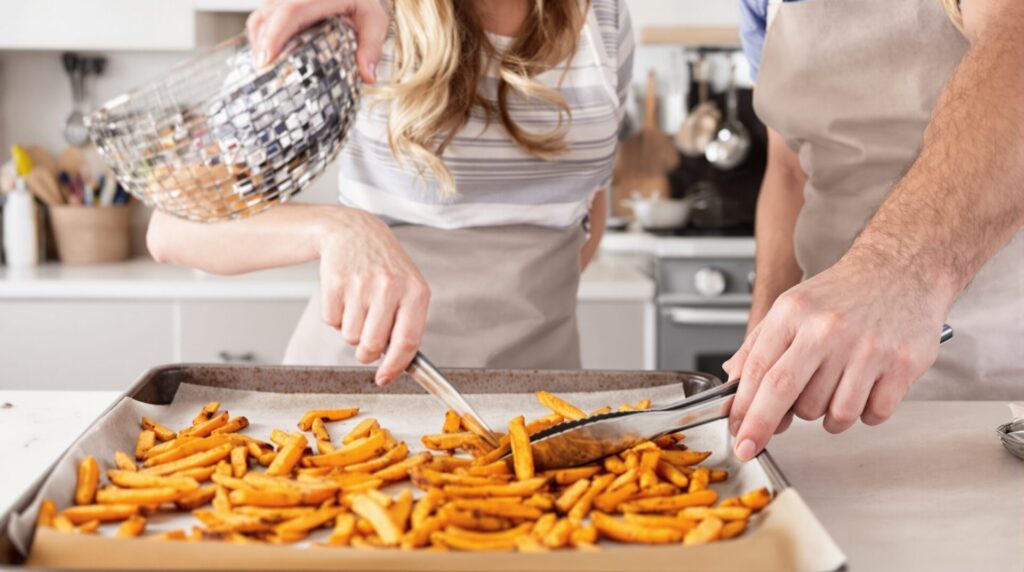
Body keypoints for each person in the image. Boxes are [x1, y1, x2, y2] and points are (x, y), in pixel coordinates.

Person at [147, 0, 634, 386]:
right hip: (364, 395)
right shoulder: (347, 18)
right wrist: (337, 230)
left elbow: (587, 198)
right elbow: (172, 227)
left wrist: (515, 298)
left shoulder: (605, 16)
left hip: (541, 392)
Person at [726, 0, 1024, 462]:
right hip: (823, 396)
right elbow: (787, 167)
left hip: (999, 396)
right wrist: (762, 341)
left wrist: (899, 273)